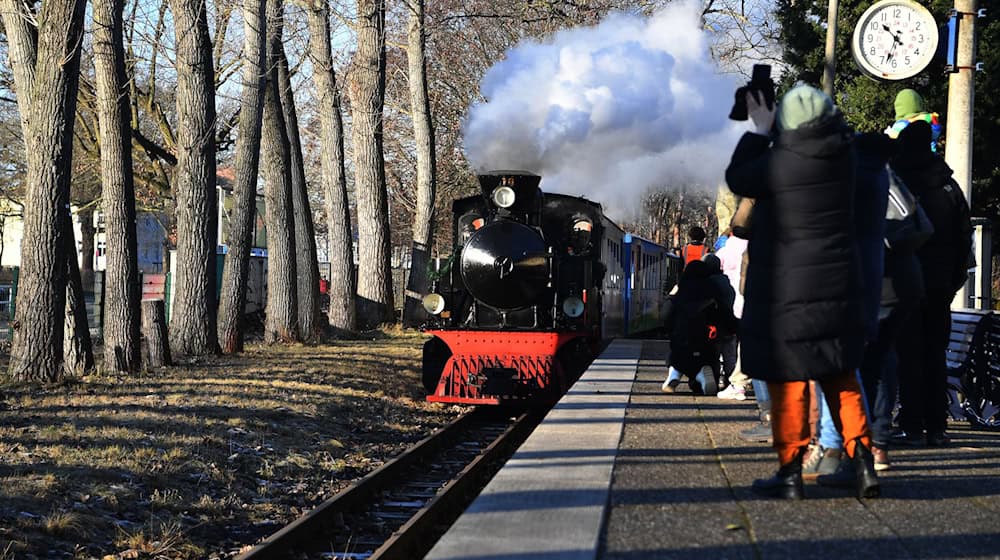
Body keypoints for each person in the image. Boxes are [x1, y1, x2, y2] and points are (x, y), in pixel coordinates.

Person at [725, 83, 879, 500]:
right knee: (840, 373)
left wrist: (760, 130)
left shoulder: (778, 164)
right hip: (839, 285)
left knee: (788, 381)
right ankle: (864, 463)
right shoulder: (846, 160)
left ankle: (790, 471)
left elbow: (738, 176)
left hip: (786, 291)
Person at [891, 119, 973, 447]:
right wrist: (954, 278)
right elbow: (964, 235)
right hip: (940, 284)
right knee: (935, 354)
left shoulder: (898, 180)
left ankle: (911, 423)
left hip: (906, 279)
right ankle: (937, 425)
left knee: (908, 353)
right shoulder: (949, 186)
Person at [661, 260, 735, 396]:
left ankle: (674, 373)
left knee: (676, 356)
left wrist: (670, 296)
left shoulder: (680, 293)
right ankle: (701, 375)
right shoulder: (712, 292)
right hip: (706, 345)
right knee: (707, 363)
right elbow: (724, 316)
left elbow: (666, 316)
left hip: (680, 345)